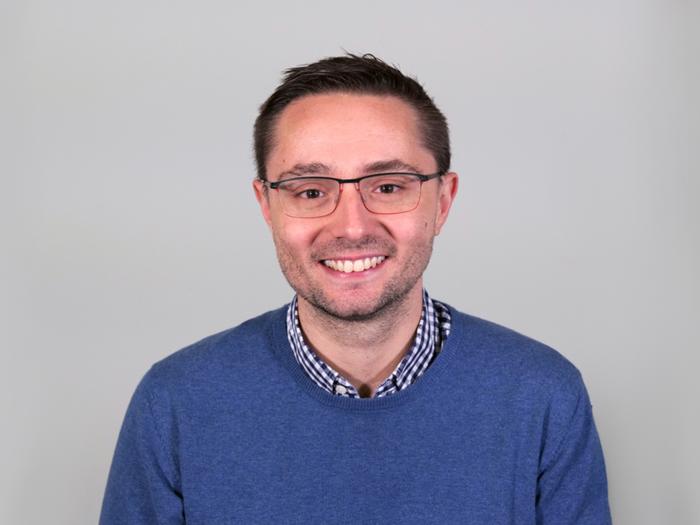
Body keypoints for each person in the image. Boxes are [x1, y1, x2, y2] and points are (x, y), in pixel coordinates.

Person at [100, 53, 611, 524]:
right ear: (266, 206)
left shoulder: (542, 396)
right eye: (310, 191)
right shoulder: (174, 403)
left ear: (443, 201)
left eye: (387, 186)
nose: (351, 227)